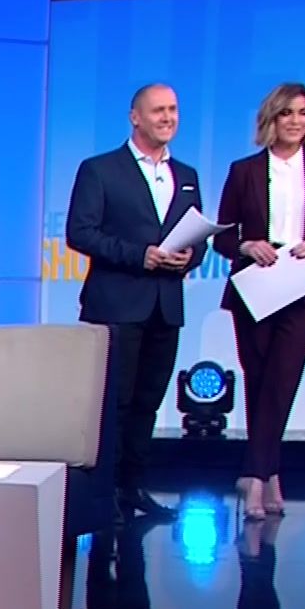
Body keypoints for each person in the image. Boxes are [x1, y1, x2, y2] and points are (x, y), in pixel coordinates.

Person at [65, 83, 209, 523]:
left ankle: (132, 488)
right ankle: (103, 494)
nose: (168, 118)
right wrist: (138, 255)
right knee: (114, 405)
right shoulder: (100, 170)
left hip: (165, 306)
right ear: (135, 117)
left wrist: (191, 256)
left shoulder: (186, 175)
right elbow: (80, 232)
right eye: (158, 110)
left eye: (173, 110)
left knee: (148, 401)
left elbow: (198, 236)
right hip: (116, 306)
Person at [211, 83, 305, 520]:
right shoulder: (244, 171)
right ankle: (270, 473)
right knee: (258, 381)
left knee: (282, 380)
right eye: (287, 113)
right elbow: (223, 237)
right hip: (257, 286)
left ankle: (253, 476)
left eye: (303, 113)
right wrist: (247, 245)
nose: (295, 121)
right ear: (271, 119)